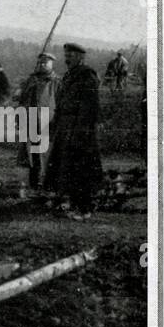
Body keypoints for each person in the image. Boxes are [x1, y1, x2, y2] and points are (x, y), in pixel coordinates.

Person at [45, 42, 102, 220]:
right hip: (65, 126)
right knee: (64, 166)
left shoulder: (87, 75)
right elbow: (61, 103)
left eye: (71, 55)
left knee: (81, 168)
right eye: (66, 54)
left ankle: (84, 208)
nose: (67, 57)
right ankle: (69, 202)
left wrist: (80, 131)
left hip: (80, 129)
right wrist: (55, 123)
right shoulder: (69, 76)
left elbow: (89, 106)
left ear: (81, 57)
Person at [15, 52, 57, 196]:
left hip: (47, 122)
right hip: (28, 121)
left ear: (52, 64)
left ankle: (42, 186)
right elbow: (19, 98)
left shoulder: (56, 82)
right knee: (27, 155)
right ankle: (26, 186)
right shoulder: (29, 81)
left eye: (45, 62)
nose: (42, 65)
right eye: (40, 62)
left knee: (43, 155)